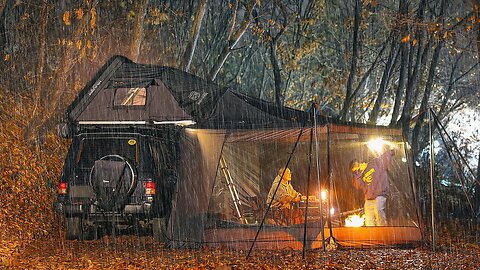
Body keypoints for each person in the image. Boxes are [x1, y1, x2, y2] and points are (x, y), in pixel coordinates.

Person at [350, 147, 395, 226]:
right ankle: (372, 234)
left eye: (357, 167)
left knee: (378, 210)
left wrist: (391, 151)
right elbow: (357, 185)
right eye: (355, 170)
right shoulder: (360, 174)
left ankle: (383, 231)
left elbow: (384, 157)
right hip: (369, 197)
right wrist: (360, 172)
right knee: (368, 217)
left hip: (380, 193)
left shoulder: (375, 163)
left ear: (359, 163)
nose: (357, 170)